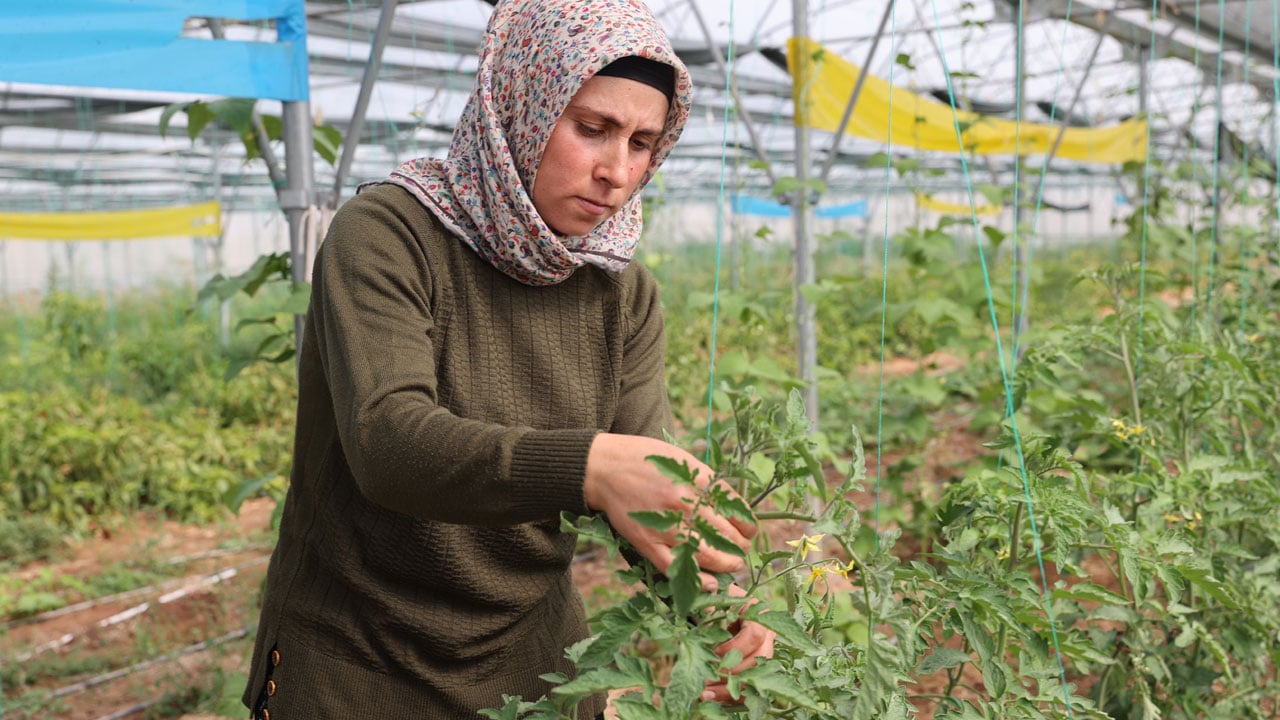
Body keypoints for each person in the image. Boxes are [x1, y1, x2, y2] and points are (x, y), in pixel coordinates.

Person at [242, 0, 774, 717]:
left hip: (535, 664)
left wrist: (727, 603)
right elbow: (387, 442)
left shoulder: (623, 292)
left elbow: (653, 482)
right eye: (592, 129)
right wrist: (591, 467)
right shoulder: (389, 236)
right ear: (521, 106)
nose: (617, 171)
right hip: (358, 663)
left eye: (644, 143)